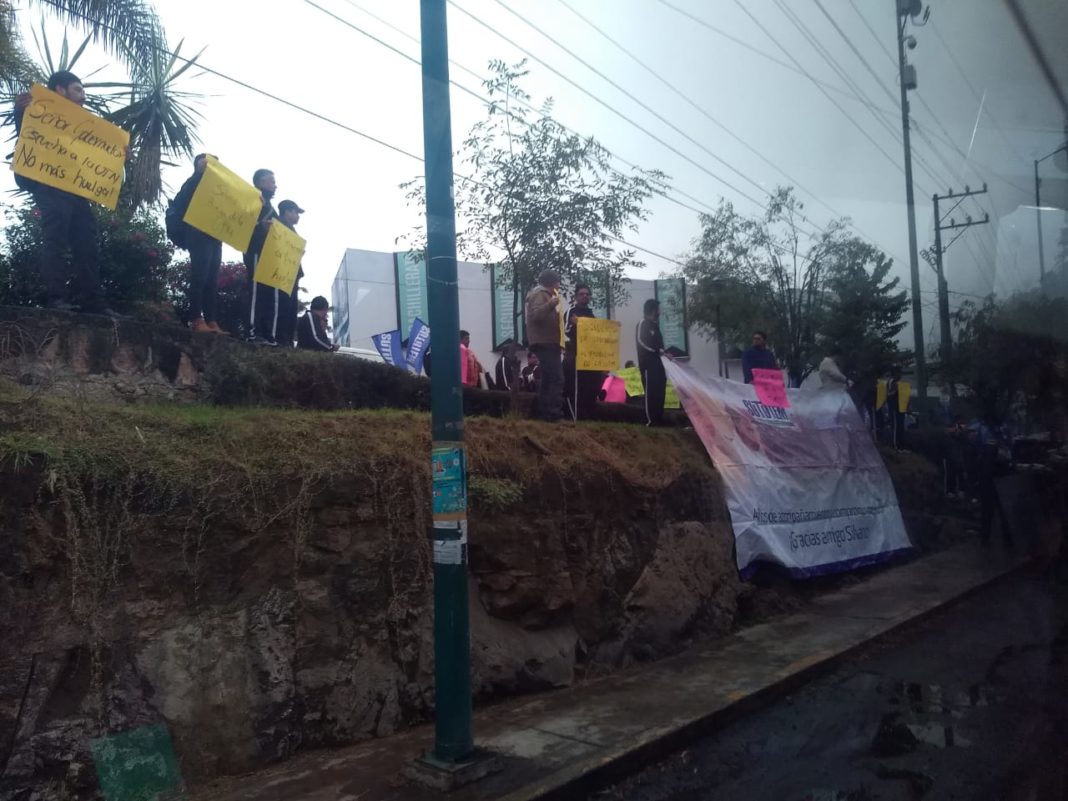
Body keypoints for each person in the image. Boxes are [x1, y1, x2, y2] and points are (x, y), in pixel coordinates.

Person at [13, 72, 120, 316]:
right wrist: (21, 112)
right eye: (78, 89)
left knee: (88, 242)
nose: (83, 96)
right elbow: (29, 137)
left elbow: (96, 154)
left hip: (76, 187)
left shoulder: (84, 124)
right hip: (49, 184)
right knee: (56, 239)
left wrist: (118, 152)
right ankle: (57, 298)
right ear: (60, 90)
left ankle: (93, 301)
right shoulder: (35, 107)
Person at [170, 154, 226, 334]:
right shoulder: (192, 182)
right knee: (200, 276)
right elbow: (186, 200)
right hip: (197, 233)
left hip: (215, 235)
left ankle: (211, 320)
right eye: (206, 161)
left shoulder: (221, 188)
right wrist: (200, 173)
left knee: (212, 279)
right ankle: (195, 318)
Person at [244, 169, 280, 345]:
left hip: (270, 255)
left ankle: (268, 334)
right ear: (260, 182)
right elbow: (241, 223)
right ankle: (251, 333)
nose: (275, 185)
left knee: (268, 294)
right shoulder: (252, 199)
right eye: (271, 181)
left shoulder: (272, 208)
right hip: (255, 250)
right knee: (256, 291)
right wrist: (261, 227)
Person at [525, 270, 565, 421]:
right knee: (556, 378)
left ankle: (545, 413)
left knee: (549, 378)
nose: (559, 285)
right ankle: (553, 414)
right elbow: (535, 315)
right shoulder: (540, 294)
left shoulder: (544, 295)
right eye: (558, 282)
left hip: (549, 342)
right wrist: (550, 304)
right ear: (553, 282)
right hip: (544, 342)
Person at [563, 284, 602, 420]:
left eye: (587, 294)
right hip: (576, 356)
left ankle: (589, 417)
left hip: (591, 359)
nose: (585, 296)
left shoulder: (592, 316)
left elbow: (597, 336)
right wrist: (576, 324)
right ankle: (575, 417)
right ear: (576, 297)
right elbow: (567, 331)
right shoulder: (571, 312)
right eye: (581, 294)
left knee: (591, 388)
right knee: (576, 388)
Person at [275, 200, 305, 347]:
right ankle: (281, 338)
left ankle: (286, 340)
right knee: (284, 308)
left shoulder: (291, 229)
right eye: (295, 212)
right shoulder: (278, 225)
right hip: (281, 274)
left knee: (291, 309)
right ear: (287, 212)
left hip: (291, 274)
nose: (298, 216)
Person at [636, 298, 670, 426]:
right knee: (651, 392)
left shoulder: (656, 326)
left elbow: (660, 346)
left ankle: (659, 420)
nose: (659, 313)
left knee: (660, 392)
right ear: (652, 310)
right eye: (658, 310)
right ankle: (650, 421)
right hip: (648, 365)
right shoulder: (642, 324)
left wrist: (665, 353)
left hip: (660, 365)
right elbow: (641, 342)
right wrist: (658, 352)